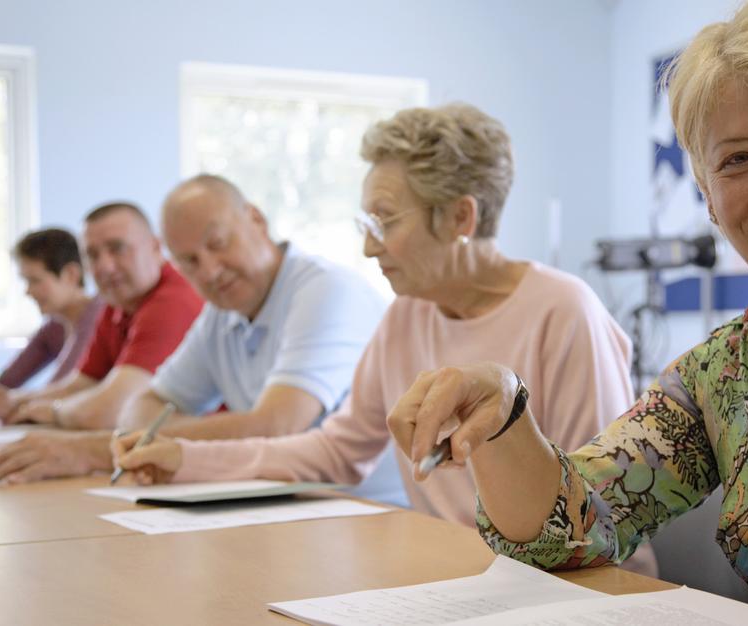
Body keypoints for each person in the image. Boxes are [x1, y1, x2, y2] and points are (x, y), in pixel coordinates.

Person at [384, 2, 748, 624]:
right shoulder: (721, 374)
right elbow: (571, 528)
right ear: (706, 189)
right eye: (740, 159)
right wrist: (505, 413)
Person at [112, 104, 658, 577]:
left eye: (385, 222)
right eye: (365, 223)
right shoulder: (406, 315)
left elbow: (602, 509)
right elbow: (336, 450)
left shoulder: (565, 312)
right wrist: (184, 458)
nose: (371, 249)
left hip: (569, 587)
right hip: (455, 572)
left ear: (461, 217)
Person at [0, 176, 384, 484]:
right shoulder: (221, 313)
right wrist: (143, 442)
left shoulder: (326, 289)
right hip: (285, 504)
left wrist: (110, 449)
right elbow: (145, 405)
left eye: (218, 243)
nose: (208, 270)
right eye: (188, 261)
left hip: (366, 513)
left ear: (256, 219)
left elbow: (277, 424)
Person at [0, 228, 103, 414]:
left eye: (35, 280)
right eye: (25, 281)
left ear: (71, 274)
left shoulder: (100, 318)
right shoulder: (54, 328)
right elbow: (3, 386)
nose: (27, 291)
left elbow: (61, 391)